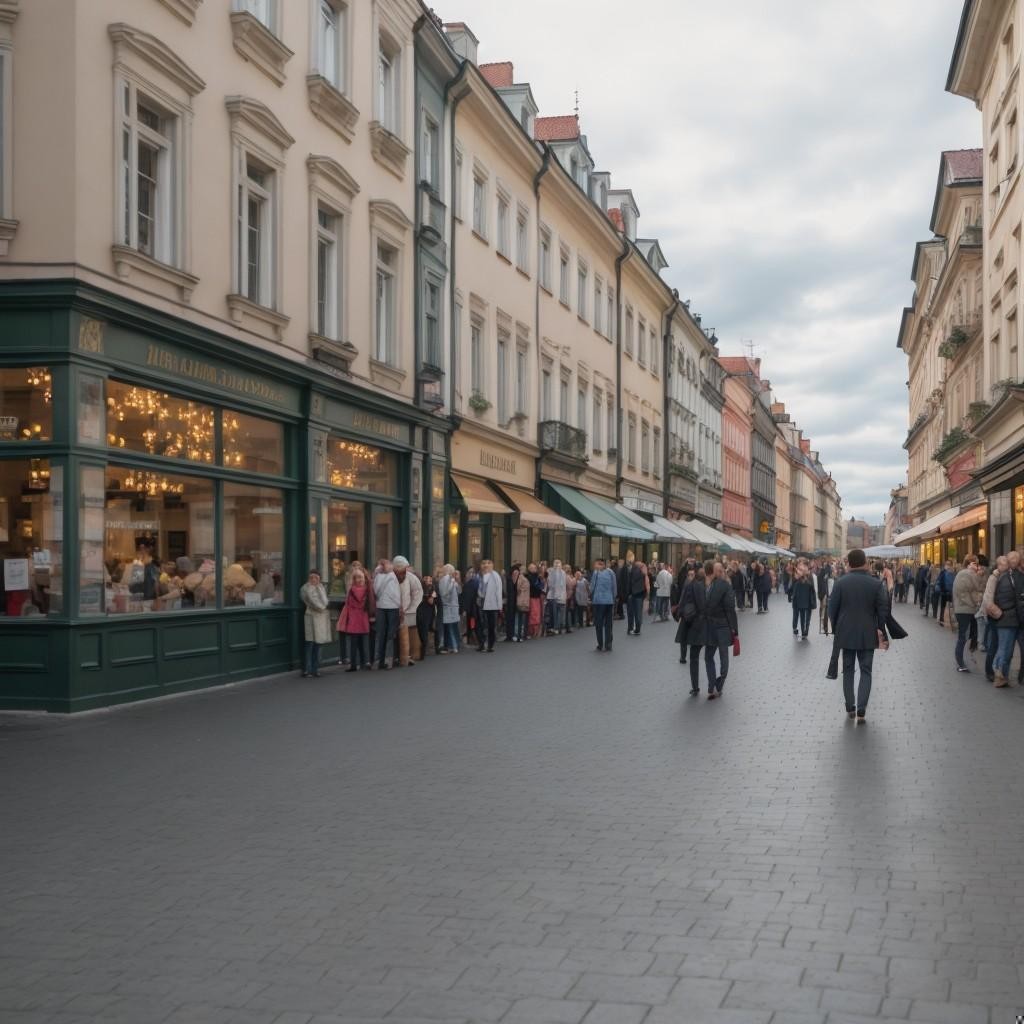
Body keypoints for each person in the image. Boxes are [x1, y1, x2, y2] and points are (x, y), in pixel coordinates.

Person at [828, 548, 888, 723]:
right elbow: (883, 610)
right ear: (864, 563)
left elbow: (832, 610)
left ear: (849, 563)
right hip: (868, 633)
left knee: (848, 670)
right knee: (866, 671)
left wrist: (837, 627)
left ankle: (850, 707)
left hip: (845, 633)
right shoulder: (876, 584)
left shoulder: (840, 582)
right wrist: (880, 629)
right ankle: (862, 709)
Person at [703, 561, 738, 699]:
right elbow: (730, 609)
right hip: (723, 627)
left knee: (708, 657)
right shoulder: (725, 586)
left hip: (711, 626)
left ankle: (712, 686)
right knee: (724, 658)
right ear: (720, 572)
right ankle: (719, 683)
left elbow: (706, 606)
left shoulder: (710, 586)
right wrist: (734, 629)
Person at [989, 550, 1023, 687]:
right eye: (1015, 559)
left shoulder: (1005, 576)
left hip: (1007, 618)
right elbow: (1015, 600)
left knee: (1006, 650)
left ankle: (1003, 676)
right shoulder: (1011, 577)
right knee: (1004, 649)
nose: (1016, 561)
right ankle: (998, 674)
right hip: (1009, 619)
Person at [676, 565, 707, 696]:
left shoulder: (690, 584)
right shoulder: (700, 586)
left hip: (689, 623)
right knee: (696, 657)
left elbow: (682, 602)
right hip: (698, 625)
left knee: (693, 657)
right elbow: (702, 607)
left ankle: (695, 687)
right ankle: (700, 686)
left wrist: (680, 614)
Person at [338, 565, 374, 672]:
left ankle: (354, 664)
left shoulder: (351, 590)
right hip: (363, 618)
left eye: (359, 577)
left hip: (353, 619)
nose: (358, 580)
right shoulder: (368, 590)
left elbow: (348, 605)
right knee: (364, 643)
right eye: (357, 577)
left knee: (353, 643)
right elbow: (372, 604)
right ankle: (365, 662)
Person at [951, 554, 983, 673]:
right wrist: (975, 602)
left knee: (967, 635)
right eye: (975, 563)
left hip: (967, 609)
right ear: (969, 563)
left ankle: (965, 658)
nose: (976, 566)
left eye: (977, 563)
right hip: (964, 610)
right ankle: (960, 663)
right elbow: (964, 593)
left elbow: (974, 590)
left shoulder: (969, 574)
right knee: (962, 637)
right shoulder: (965, 574)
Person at [299, 569, 331, 678]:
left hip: (321, 618)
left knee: (318, 644)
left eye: (316, 578)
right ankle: (307, 670)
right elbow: (310, 601)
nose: (313, 580)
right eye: (311, 577)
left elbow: (325, 601)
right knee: (309, 644)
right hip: (310, 617)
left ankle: (315, 669)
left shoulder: (321, 588)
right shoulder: (305, 588)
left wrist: (323, 606)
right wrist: (322, 607)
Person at [372, 559, 400, 669]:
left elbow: (376, 590)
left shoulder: (378, 576)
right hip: (392, 606)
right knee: (391, 634)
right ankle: (391, 659)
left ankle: (381, 660)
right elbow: (395, 592)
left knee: (382, 634)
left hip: (381, 607)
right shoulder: (392, 576)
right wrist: (399, 604)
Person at [591, 557, 617, 652]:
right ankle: (608, 644)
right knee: (608, 623)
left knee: (599, 623)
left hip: (598, 601)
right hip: (609, 601)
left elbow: (592, 587)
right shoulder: (611, 572)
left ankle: (600, 644)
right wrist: (613, 598)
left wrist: (590, 596)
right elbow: (614, 587)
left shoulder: (596, 573)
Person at [477, 559, 502, 652]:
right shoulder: (478, 575)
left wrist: (499, 606)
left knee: (491, 626)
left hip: (492, 605)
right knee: (481, 624)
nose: (486, 565)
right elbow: (478, 588)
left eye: (488, 563)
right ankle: (482, 644)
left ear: (492, 565)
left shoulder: (495, 576)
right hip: (481, 603)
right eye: (483, 563)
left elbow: (498, 592)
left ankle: (490, 645)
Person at [437, 564, 462, 654]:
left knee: (451, 627)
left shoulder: (449, 579)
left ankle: (453, 646)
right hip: (449, 607)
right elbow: (445, 593)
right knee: (451, 627)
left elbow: (459, 591)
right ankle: (453, 646)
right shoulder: (446, 579)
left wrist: (456, 581)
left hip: (451, 607)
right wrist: (452, 582)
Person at [790, 561, 817, 640]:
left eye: (802, 567)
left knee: (805, 618)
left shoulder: (810, 576)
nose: (800, 569)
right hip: (797, 600)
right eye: (799, 567)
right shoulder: (795, 576)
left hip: (807, 601)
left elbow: (813, 589)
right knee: (797, 615)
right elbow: (791, 588)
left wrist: (804, 577)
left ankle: (805, 632)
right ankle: (796, 628)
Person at [417, 573, 437, 660]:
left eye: (430, 580)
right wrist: (432, 596)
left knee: (423, 631)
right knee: (424, 632)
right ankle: (422, 653)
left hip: (425, 612)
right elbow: (430, 601)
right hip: (425, 612)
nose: (429, 582)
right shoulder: (428, 589)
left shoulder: (428, 588)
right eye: (427, 580)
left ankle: (422, 652)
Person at [626, 558, 648, 635]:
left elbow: (629, 583)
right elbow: (647, 584)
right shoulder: (643, 573)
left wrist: (628, 594)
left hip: (632, 595)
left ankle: (630, 628)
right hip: (639, 595)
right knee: (638, 613)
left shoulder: (632, 571)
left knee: (631, 613)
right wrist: (646, 595)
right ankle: (637, 629)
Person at [547, 559, 567, 635]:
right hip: (556, 596)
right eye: (555, 563)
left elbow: (553, 585)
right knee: (556, 613)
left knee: (556, 613)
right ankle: (556, 627)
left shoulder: (558, 573)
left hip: (557, 596)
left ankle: (556, 628)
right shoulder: (556, 572)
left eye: (557, 563)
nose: (556, 565)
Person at [934, 559, 956, 626]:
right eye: (947, 564)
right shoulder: (943, 572)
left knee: (951, 607)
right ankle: (941, 620)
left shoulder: (953, 573)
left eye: (949, 564)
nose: (948, 566)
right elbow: (938, 581)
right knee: (943, 607)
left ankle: (951, 620)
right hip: (944, 592)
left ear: (951, 565)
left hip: (951, 593)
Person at [514, 564, 530, 641]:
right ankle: (519, 635)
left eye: (525, 569)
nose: (524, 570)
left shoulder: (524, 577)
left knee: (522, 619)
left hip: (525, 599)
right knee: (520, 618)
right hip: (522, 600)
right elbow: (518, 588)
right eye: (523, 569)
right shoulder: (521, 577)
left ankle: (521, 635)